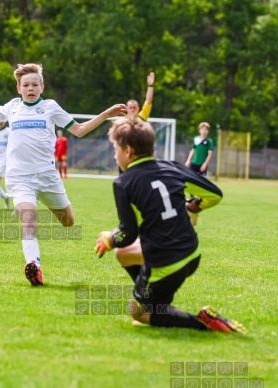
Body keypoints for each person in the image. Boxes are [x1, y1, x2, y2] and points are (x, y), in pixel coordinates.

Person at [0, 64, 126, 286]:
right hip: (19, 178)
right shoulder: (13, 107)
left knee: (68, 222)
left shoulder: (50, 107)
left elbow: (79, 130)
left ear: (42, 87)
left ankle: (37, 253)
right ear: (18, 88)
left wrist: (106, 115)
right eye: (26, 85)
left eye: (35, 84)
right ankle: (34, 266)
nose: (30, 88)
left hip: (47, 177)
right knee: (29, 223)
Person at [94, 118, 245, 333]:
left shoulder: (123, 182)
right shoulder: (171, 166)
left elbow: (127, 234)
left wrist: (109, 238)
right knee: (124, 254)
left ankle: (200, 321)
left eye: (115, 149)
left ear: (127, 150)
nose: (114, 154)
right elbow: (214, 194)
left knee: (136, 312)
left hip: (165, 261)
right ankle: (155, 300)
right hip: (192, 253)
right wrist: (192, 207)